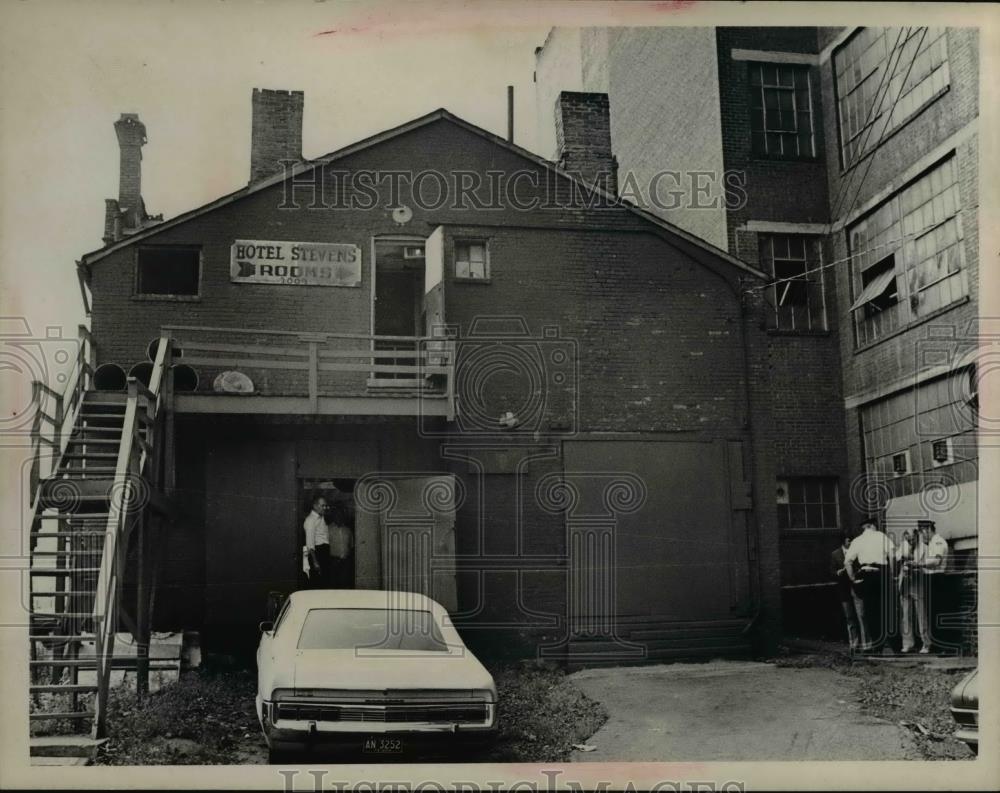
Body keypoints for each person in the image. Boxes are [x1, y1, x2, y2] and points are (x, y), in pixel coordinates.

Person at [845, 516, 895, 654]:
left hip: (866, 576)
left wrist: (853, 579)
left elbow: (847, 562)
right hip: (881, 575)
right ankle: (893, 646)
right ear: (873, 526)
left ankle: (877, 647)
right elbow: (892, 556)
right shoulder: (881, 536)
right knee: (886, 608)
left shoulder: (857, 540)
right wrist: (892, 575)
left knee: (870, 611)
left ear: (864, 528)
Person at [917, 519, 950, 653]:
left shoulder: (938, 541)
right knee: (932, 612)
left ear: (928, 529)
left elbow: (936, 560)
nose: (922, 535)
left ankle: (945, 646)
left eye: (923, 532)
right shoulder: (930, 543)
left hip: (937, 578)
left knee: (939, 611)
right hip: (930, 578)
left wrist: (920, 564)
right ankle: (938, 645)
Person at [831, 529, 866, 652]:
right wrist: (839, 572)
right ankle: (854, 643)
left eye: (851, 539)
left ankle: (865, 643)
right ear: (843, 540)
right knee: (849, 617)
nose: (850, 541)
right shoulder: (835, 554)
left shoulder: (857, 553)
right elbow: (832, 572)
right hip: (844, 589)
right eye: (847, 539)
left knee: (861, 615)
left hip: (856, 587)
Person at [897, 528, 930, 654]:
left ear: (917, 537)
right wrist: (904, 558)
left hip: (918, 582)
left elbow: (929, 565)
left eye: (912, 539)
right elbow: (897, 557)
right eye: (908, 540)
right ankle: (907, 644)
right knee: (905, 616)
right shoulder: (903, 546)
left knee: (921, 615)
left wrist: (917, 565)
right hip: (905, 583)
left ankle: (926, 644)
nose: (910, 542)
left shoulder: (925, 548)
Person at [325, 501, 355, 589]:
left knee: (345, 584)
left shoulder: (348, 530)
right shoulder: (327, 529)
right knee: (333, 584)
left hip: (346, 562)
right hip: (333, 561)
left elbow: (351, 546)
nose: (339, 516)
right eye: (336, 514)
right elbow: (324, 547)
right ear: (333, 516)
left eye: (341, 514)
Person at [303, 494, 330, 588]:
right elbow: (310, 544)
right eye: (323, 505)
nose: (325, 508)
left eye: (326, 505)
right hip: (317, 553)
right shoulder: (310, 520)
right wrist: (315, 561)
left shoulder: (321, 517)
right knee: (319, 583)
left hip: (324, 551)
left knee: (326, 581)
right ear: (315, 506)